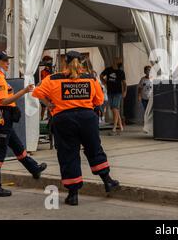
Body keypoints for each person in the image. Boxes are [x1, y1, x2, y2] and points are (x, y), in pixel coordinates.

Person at [32, 51, 120, 206]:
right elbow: (98, 100)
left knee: (68, 154)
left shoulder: (52, 78)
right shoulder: (90, 78)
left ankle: (73, 195)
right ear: (81, 62)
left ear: (64, 63)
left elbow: (37, 92)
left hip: (63, 120)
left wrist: (49, 104)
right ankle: (108, 181)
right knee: (94, 149)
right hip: (87, 118)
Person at [0, 51, 47, 197]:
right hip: (1, 115)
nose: (8, 63)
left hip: (1, 115)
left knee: (17, 146)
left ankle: (34, 168)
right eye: (5, 61)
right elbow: (4, 101)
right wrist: (24, 91)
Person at [100, 58, 127, 134]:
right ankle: (120, 125)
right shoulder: (108, 69)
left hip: (118, 92)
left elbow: (124, 83)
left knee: (115, 109)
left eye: (116, 61)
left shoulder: (121, 72)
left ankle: (114, 127)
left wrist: (125, 91)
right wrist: (104, 81)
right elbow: (101, 75)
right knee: (114, 109)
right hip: (110, 92)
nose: (113, 61)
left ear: (117, 63)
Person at [40, 56, 54, 121]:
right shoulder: (43, 71)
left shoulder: (51, 71)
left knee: (50, 105)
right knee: (43, 106)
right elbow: (44, 79)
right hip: (45, 89)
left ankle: (48, 117)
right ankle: (41, 118)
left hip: (50, 89)